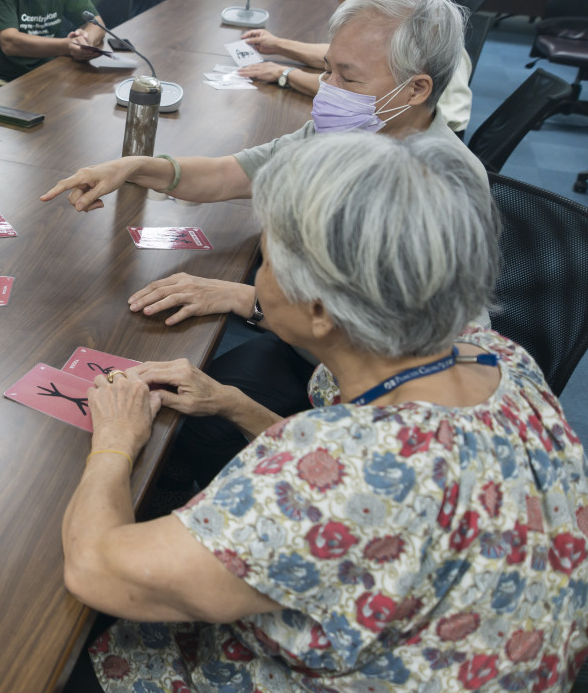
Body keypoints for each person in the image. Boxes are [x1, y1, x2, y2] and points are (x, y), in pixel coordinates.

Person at [62, 132, 588, 693]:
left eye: (268, 259)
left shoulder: (339, 466)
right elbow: (368, 497)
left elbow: (96, 568)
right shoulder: (498, 357)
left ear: (319, 309)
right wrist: (234, 404)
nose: (256, 278)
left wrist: (116, 439)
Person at [41, 0, 488, 489]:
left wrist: (248, 301)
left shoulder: (439, 189)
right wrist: (137, 165)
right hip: (312, 353)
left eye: (348, 78)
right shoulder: (350, 127)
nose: (328, 91)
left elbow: (379, 409)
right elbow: (237, 172)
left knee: (179, 431)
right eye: (327, 71)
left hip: (365, 399)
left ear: (416, 89)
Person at [237, 0, 472, 134]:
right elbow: (346, 63)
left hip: (421, 145)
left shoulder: (422, 35)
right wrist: (279, 45)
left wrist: (284, 74)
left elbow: (353, 94)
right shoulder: (408, 17)